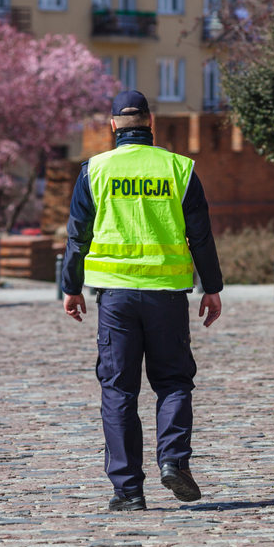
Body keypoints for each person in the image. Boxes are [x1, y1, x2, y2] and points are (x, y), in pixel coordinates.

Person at [61, 90, 224, 512]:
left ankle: (129, 491)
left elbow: (78, 234)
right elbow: (200, 235)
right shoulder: (179, 168)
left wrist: (71, 285)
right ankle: (173, 461)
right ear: (151, 122)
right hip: (167, 295)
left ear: (113, 125)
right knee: (172, 382)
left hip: (114, 296)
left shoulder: (94, 170)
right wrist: (212, 286)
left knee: (118, 389)